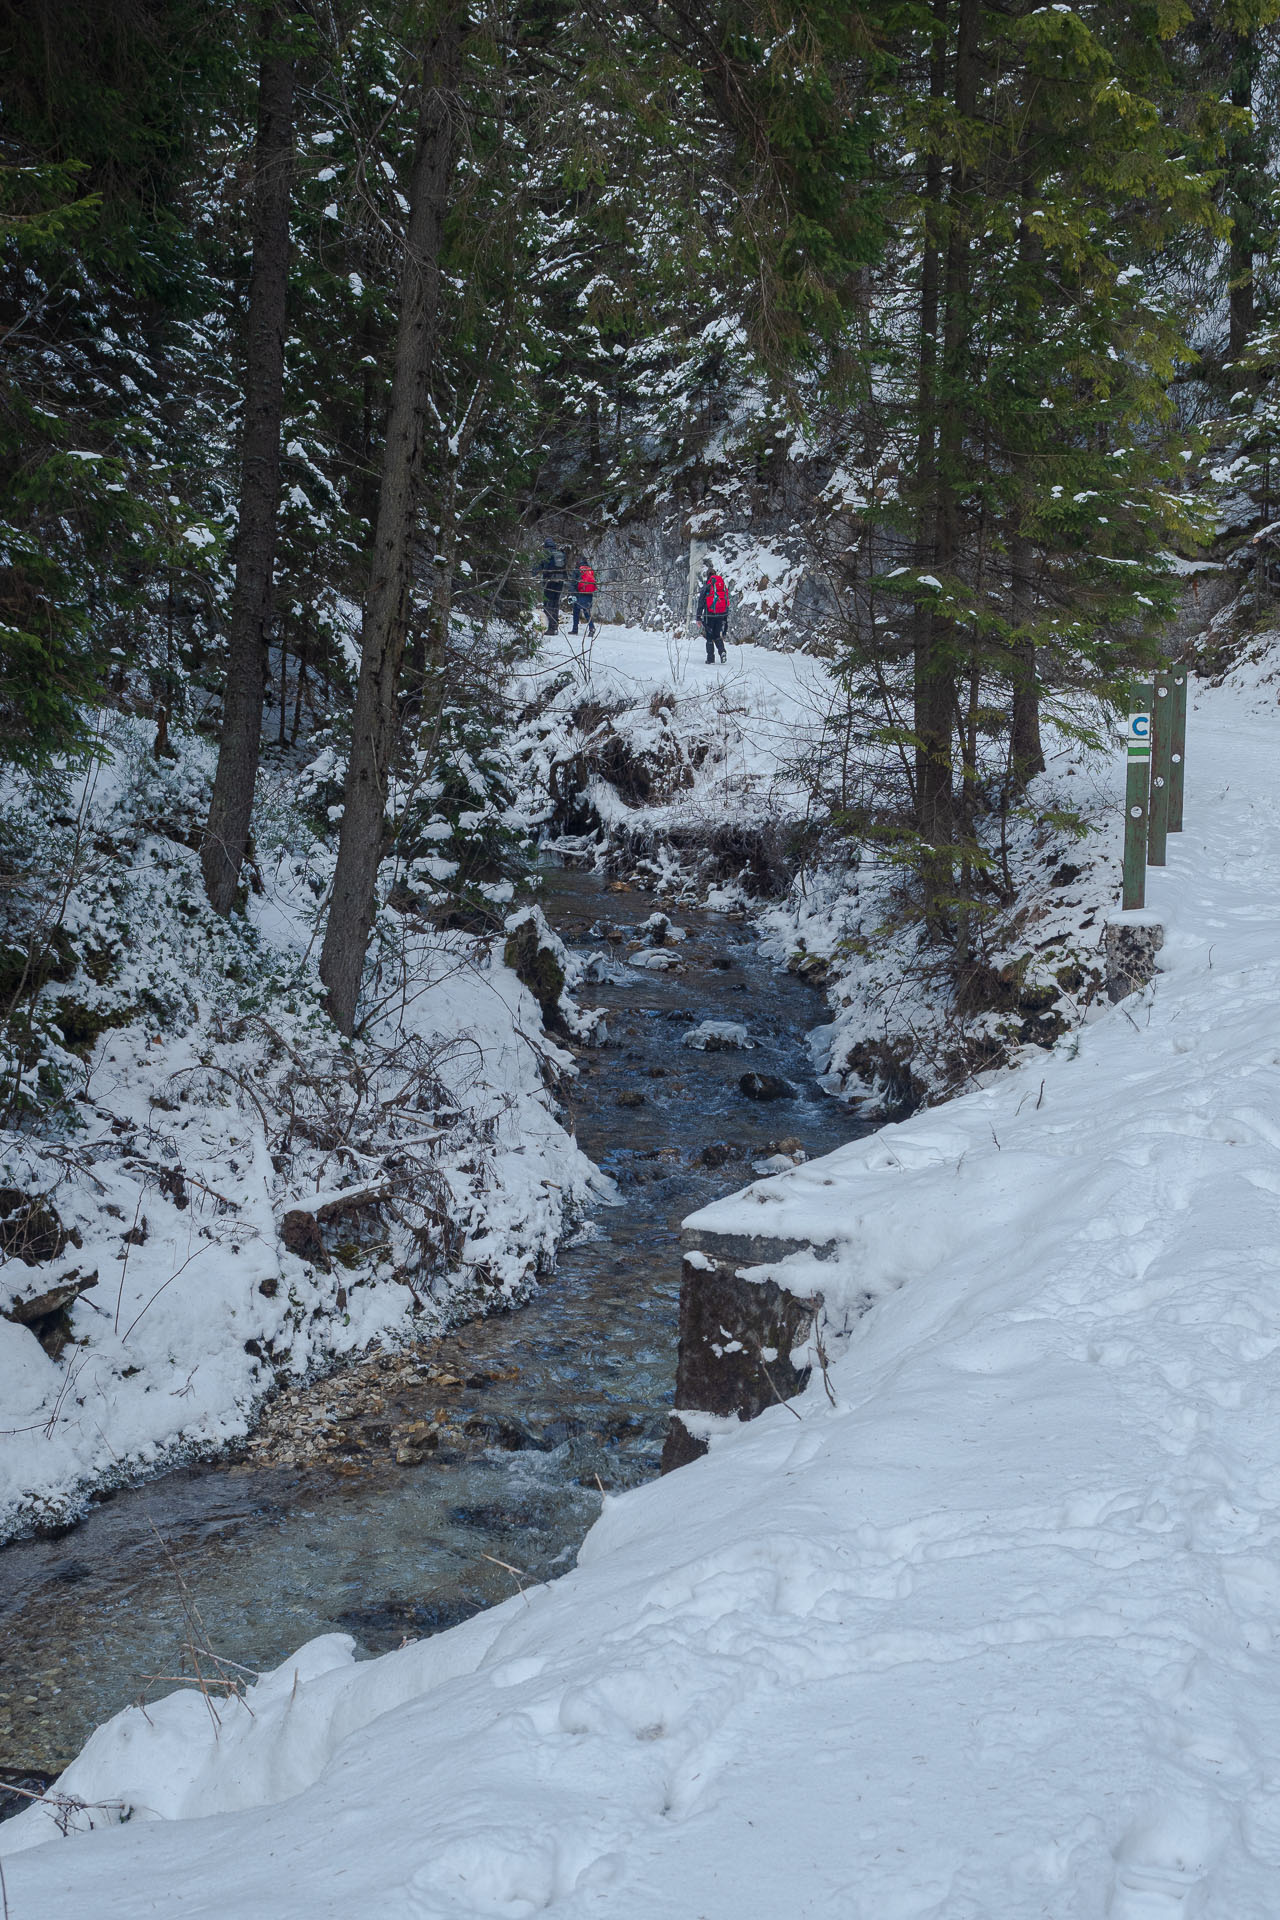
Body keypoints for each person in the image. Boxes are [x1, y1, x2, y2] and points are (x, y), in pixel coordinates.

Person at [697, 560, 729, 663]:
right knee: (717, 635)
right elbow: (726, 601)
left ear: (707, 576)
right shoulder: (722, 586)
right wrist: (725, 616)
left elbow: (701, 603)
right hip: (721, 614)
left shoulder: (707, 587)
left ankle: (710, 659)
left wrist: (698, 617)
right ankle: (722, 651)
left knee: (709, 637)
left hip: (709, 615)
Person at [538, 538, 567, 632]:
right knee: (555, 603)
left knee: (548, 603)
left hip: (549, 581)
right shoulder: (560, 554)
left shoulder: (545, 554)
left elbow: (537, 567)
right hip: (560, 581)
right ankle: (554, 626)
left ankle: (549, 628)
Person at [570, 558, 597, 636]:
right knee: (587, 612)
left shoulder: (577, 570)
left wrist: (572, 593)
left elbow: (573, 582)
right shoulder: (590, 570)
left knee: (576, 611)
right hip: (589, 593)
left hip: (579, 593)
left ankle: (575, 629)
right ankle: (591, 628)